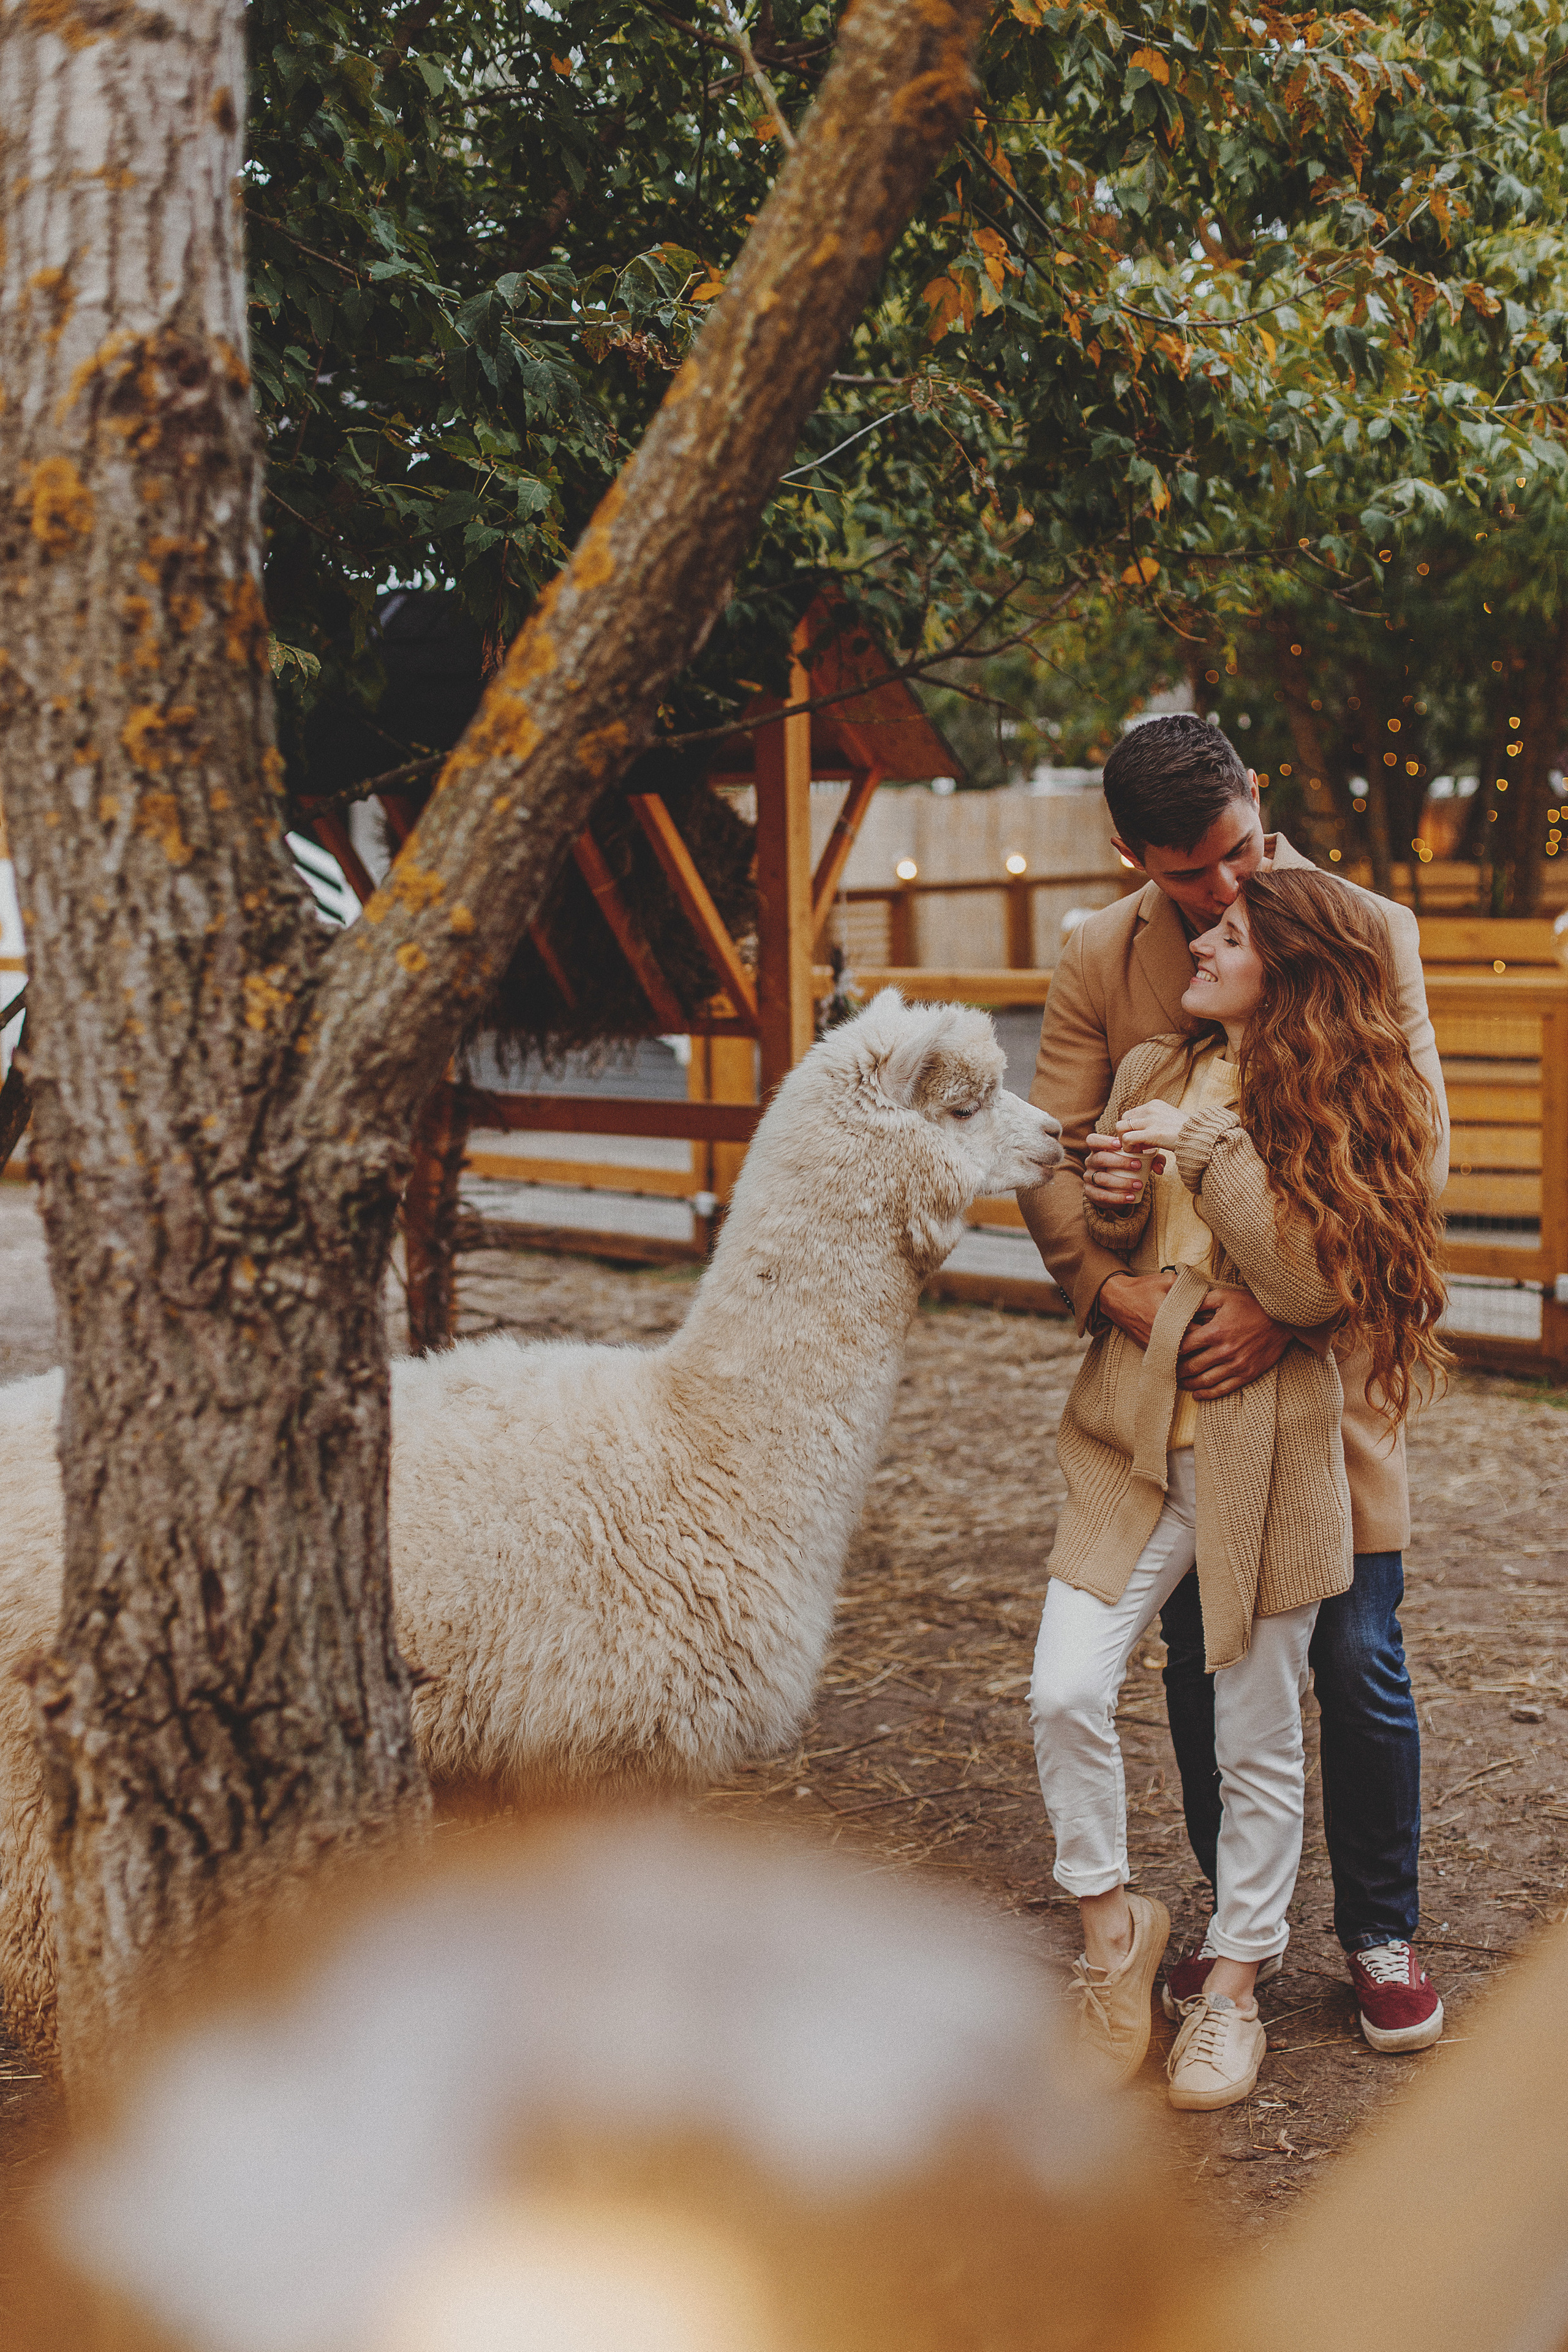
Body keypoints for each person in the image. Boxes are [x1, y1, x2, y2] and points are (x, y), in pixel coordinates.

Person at [1019, 714, 1450, 2056]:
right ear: (1131, 857)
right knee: (1202, 1659)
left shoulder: (1359, 925)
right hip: (1173, 1376)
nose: (1222, 892)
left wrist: (1284, 1308)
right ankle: (1229, 1921)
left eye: (1239, 853)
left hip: (1320, 1371)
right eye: (1189, 875)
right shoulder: (1101, 958)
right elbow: (1060, 1153)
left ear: (1259, 798)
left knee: (1358, 1651)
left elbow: (1416, 1157)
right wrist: (1116, 1287)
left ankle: (1379, 1927)